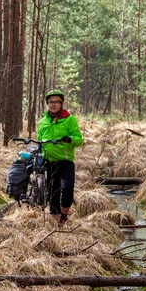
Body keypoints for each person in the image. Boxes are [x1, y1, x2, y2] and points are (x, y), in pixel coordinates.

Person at [37, 89, 83, 225]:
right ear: (47, 104)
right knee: (52, 189)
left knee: (67, 187)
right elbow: (39, 140)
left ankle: (63, 215)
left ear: (61, 103)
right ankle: (54, 218)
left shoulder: (69, 119)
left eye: (56, 101)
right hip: (48, 160)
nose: (53, 104)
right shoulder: (42, 122)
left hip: (65, 160)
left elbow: (79, 139)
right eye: (51, 102)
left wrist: (69, 139)